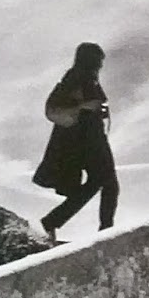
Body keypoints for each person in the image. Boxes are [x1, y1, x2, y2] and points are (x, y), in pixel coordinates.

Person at [32, 41, 119, 242]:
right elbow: (61, 104)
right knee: (107, 184)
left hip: (89, 138)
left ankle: (55, 221)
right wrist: (86, 106)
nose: (101, 64)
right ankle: (105, 232)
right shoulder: (76, 77)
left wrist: (97, 110)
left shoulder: (84, 77)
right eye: (99, 60)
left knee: (102, 183)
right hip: (86, 139)